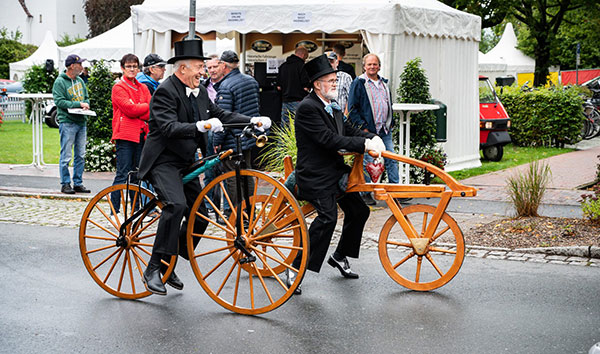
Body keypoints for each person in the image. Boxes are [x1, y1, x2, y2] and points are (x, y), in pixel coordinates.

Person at [138, 38, 271, 296]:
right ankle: (154, 268)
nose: (204, 71)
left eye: (204, 67)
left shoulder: (198, 91)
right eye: (200, 66)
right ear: (183, 68)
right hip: (163, 161)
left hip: (186, 161)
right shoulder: (166, 91)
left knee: (201, 213)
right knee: (175, 206)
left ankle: (171, 258)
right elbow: (167, 127)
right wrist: (200, 127)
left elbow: (221, 115)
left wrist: (252, 120)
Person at [289, 54, 385, 295]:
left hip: (335, 173)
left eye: (335, 79)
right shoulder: (307, 108)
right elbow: (328, 140)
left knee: (359, 210)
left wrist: (371, 137)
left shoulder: (331, 106)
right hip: (315, 175)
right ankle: (295, 268)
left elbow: (349, 129)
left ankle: (340, 256)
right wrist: (362, 146)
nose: (335, 83)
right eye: (330, 80)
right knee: (328, 218)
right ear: (317, 83)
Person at [213, 50, 261, 217]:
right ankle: (250, 209)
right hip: (247, 136)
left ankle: (237, 213)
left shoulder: (226, 86)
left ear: (224, 66)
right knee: (247, 173)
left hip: (232, 139)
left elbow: (223, 119)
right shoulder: (251, 81)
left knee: (232, 176)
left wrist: (216, 141)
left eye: (218, 64)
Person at [347, 53, 398, 206]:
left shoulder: (383, 83)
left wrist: (391, 121)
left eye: (375, 64)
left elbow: (388, 104)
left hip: (384, 129)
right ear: (364, 66)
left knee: (392, 159)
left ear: (379, 66)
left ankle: (396, 190)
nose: (372, 67)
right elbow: (352, 108)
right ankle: (365, 193)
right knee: (368, 161)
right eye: (369, 64)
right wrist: (362, 127)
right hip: (368, 131)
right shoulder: (359, 83)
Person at [110, 54, 151, 218]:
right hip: (125, 135)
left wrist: (139, 109)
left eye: (135, 66)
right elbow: (129, 109)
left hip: (141, 134)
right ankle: (115, 210)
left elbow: (149, 110)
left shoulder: (143, 88)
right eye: (129, 66)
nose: (132, 69)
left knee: (136, 174)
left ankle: (136, 210)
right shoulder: (118, 88)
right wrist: (143, 107)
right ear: (122, 68)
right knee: (122, 173)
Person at [52, 54, 91, 195]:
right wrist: (78, 104)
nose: (82, 67)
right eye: (79, 64)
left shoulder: (80, 80)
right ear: (71, 66)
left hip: (81, 121)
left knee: (80, 154)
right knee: (66, 155)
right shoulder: (60, 82)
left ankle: (78, 183)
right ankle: (65, 183)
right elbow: (59, 101)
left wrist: (86, 105)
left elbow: (86, 97)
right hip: (67, 122)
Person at [276, 45, 310, 125]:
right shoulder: (302, 66)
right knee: (299, 125)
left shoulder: (283, 66)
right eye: (305, 58)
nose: (305, 60)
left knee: (285, 128)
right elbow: (305, 85)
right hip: (299, 101)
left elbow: (278, 87)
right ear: (303, 55)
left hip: (285, 102)